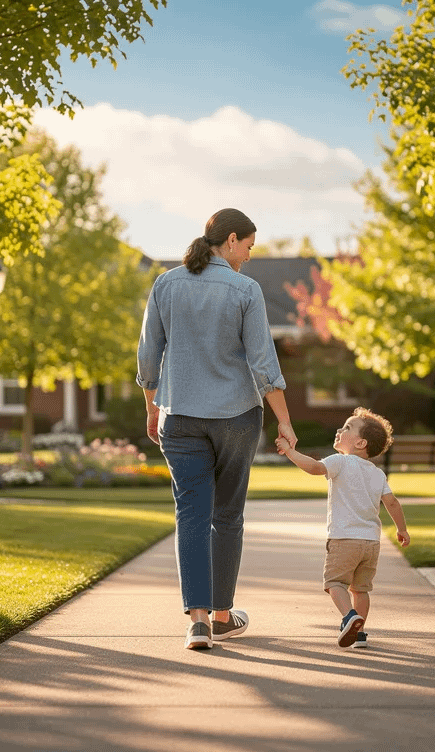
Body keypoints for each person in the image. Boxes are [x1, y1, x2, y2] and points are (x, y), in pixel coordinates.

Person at [136, 207, 298, 651]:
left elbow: (149, 357)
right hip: (236, 418)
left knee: (191, 515)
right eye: (247, 246)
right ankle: (224, 615)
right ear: (229, 240)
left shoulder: (165, 284)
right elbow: (264, 362)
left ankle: (199, 622)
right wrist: (284, 420)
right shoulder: (244, 289)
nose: (248, 255)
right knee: (226, 516)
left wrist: (152, 409)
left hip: (179, 416)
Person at [275, 407, 409, 649]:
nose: (339, 429)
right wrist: (402, 530)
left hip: (344, 539)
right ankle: (359, 634)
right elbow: (392, 503)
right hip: (371, 543)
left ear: (360, 442)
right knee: (361, 590)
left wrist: (290, 452)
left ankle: (349, 617)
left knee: (334, 584)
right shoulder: (377, 474)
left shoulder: (340, 462)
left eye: (347, 427)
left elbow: (315, 467)